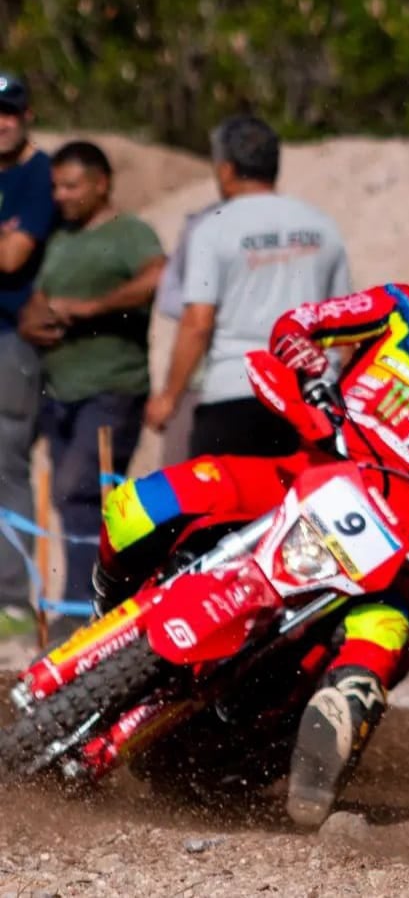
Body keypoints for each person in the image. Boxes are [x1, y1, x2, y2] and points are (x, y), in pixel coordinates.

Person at [91, 183, 409, 828]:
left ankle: (318, 757)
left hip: (406, 546)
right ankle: (108, 621)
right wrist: (301, 350)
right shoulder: (404, 304)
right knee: (139, 506)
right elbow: (302, 321)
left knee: (379, 642)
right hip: (310, 469)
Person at [17, 141, 165, 625]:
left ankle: (89, 608)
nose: (61, 195)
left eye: (71, 185)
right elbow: (41, 297)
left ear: (102, 184)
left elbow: (156, 277)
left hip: (111, 387)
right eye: (56, 186)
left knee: (82, 489)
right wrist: (34, 322)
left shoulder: (130, 234)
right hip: (61, 391)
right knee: (69, 499)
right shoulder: (61, 238)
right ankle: (84, 601)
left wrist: (91, 309)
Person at [144, 114, 352, 457]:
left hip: (235, 394)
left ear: (225, 170)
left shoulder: (213, 229)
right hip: (311, 398)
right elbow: (344, 325)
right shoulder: (321, 225)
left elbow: (198, 322)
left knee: (225, 508)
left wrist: (169, 397)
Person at [0, 72, 56, 638]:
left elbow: (13, 256)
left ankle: (13, 599)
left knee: (6, 459)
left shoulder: (40, 174)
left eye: (8, 111)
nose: (0, 122)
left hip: (11, 337)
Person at [155, 199, 222, 466]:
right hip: (202, 382)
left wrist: (169, 398)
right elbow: (172, 301)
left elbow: (196, 323)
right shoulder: (201, 225)